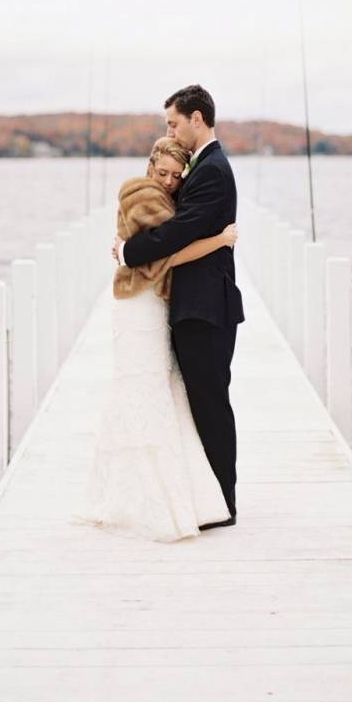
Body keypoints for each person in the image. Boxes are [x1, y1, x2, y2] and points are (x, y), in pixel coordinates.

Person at [79, 136, 237, 542]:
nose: (167, 180)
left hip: (157, 303)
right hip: (138, 303)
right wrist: (220, 240)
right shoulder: (141, 194)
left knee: (161, 391)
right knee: (140, 388)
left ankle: (173, 488)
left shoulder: (170, 196)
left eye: (174, 175)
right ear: (149, 167)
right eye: (161, 172)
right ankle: (145, 493)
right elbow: (162, 255)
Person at [113, 85, 244, 528]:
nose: (168, 129)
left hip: (206, 308)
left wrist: (130, 252)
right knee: (204, 403)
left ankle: (223, 502)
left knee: (210, 403)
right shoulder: (203, 166)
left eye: (173, 122)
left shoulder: (211, 170)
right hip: (197, 305)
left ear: (196, 119)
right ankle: (212, 496)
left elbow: (181, 229)